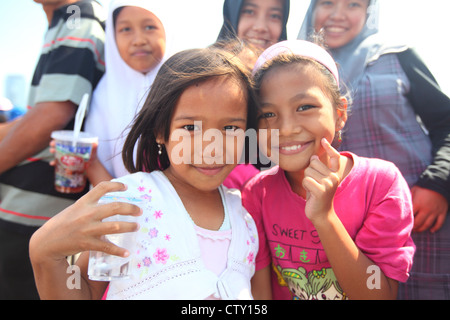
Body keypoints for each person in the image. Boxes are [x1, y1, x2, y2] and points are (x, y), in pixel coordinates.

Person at [30, 46, 260, 300]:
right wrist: (44, 253)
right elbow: (84, 293)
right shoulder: (131, 203)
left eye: (230, 127)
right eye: (191, 127)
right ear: (161, 130)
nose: (212, 146)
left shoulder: (245, 220)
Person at [298, 0, 450, 299]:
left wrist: (438, 183)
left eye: (353, 4)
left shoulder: (394, 55)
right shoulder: (297, 71)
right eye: (327, 3)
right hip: (347, 228)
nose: (338, 14)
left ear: (369, 12)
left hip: (424, 217)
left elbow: (445, 121)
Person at [242, 40, 415, 300]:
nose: (286, 128)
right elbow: (260, 292)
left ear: (340, 113)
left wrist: (325, 217)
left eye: (304, 107)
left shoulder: (380, 183)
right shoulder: (258, 193)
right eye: (268, 114)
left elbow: (379, 294)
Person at [0, 0, 105, 300]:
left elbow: (52, 115)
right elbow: (37, 115)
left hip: (37, 219)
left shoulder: (79, 15)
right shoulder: (62, 20)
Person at [84, 0, 181, 185]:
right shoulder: (103, 96)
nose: (138, 40)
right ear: (112, 36)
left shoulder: (185, 87)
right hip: (118, 207)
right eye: (125, 29)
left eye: (150, 27)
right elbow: (100, 175)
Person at [217, 0, 290, 50]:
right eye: (249, 11)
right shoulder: (208, 69)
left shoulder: (294, 70)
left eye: (274, 16)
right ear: (231, 16)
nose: (260, 27)